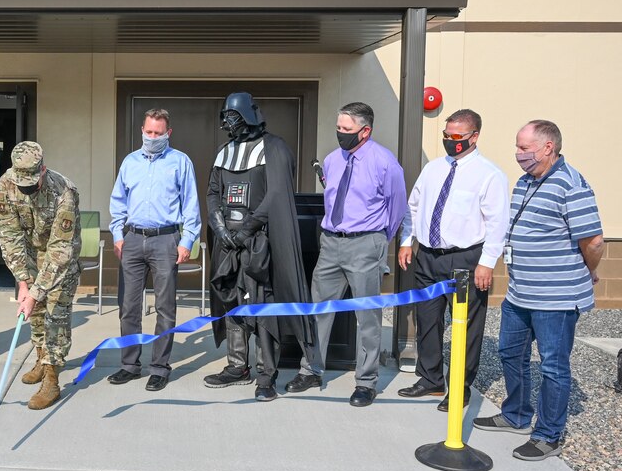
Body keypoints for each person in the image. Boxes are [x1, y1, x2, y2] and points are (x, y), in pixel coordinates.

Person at [474, 120, 603, 461]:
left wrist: (589, 270)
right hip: (520, 293)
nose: (518, 154)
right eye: (517, 147)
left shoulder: (571, 185)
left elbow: (593, 240)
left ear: (548, 147)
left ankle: (548, 434)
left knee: (553, 367)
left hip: (555, 298)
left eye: (524, 148)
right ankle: (516, 414)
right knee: (509, 353)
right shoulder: (526, 181)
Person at [203, 92, 315, 401]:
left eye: (233, 116)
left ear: (248, 116)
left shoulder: (274, 148)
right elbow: (213, 192)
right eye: (226, 117)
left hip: (260, 243)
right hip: (228, 243)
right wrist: (220, 228)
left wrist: (247, 230)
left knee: (263, 306)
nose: (228, 122)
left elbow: (276, 194)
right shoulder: (224, 152)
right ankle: (237, 366)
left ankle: (267, 375)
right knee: (232, 301)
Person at [397, 109, 508, 411]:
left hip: (465, 259)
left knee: (465, 327)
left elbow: (497, 223)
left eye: (457, 136)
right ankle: (430, 379)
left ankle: (459, 388)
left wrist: (487, 262)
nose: (450, 140)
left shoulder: (489, 174)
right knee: (427, 319)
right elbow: (413, 207)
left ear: (474, 136)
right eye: (446, 135)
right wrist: (407, 241)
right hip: (428, 256)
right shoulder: (433, 169)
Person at [299, 102, 406, 407]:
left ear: (365, 131)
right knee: (318, 310)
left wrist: (378, 241)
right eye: (338, 128)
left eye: (346, 129)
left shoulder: (385, 162)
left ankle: (366, 382)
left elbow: (397, 206)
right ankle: (311, 370)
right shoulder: (333, 160)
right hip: (331, 243)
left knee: (367, 316)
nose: (340, 133)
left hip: (365, 244)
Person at [107, 108, 201, 392]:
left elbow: (191, 204)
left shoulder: (180, 162)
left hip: (165, 240)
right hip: (133, 239)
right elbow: (118, 200)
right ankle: (129, 365)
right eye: (148, 132)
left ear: (168, 133)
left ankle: (159, 368)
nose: (152, 137)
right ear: (142, 130)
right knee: (128, 307)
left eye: (158, 133)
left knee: (165, 308)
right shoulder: (130, 162)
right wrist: (117, 234)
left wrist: (187, 241)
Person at [0, 141, 82, 410]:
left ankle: (52, 380)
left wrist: (37, 291)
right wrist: (23, 281)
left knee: (55, 314)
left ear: (42, 170)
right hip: (31, 257)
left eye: (31, 183)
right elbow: (9, 235)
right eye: (22, 184)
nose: (26, 189)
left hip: (60, 259)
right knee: (36, 314)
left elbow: (60, 249)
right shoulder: (6, 184)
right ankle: (41, 361)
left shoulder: (64, 192)